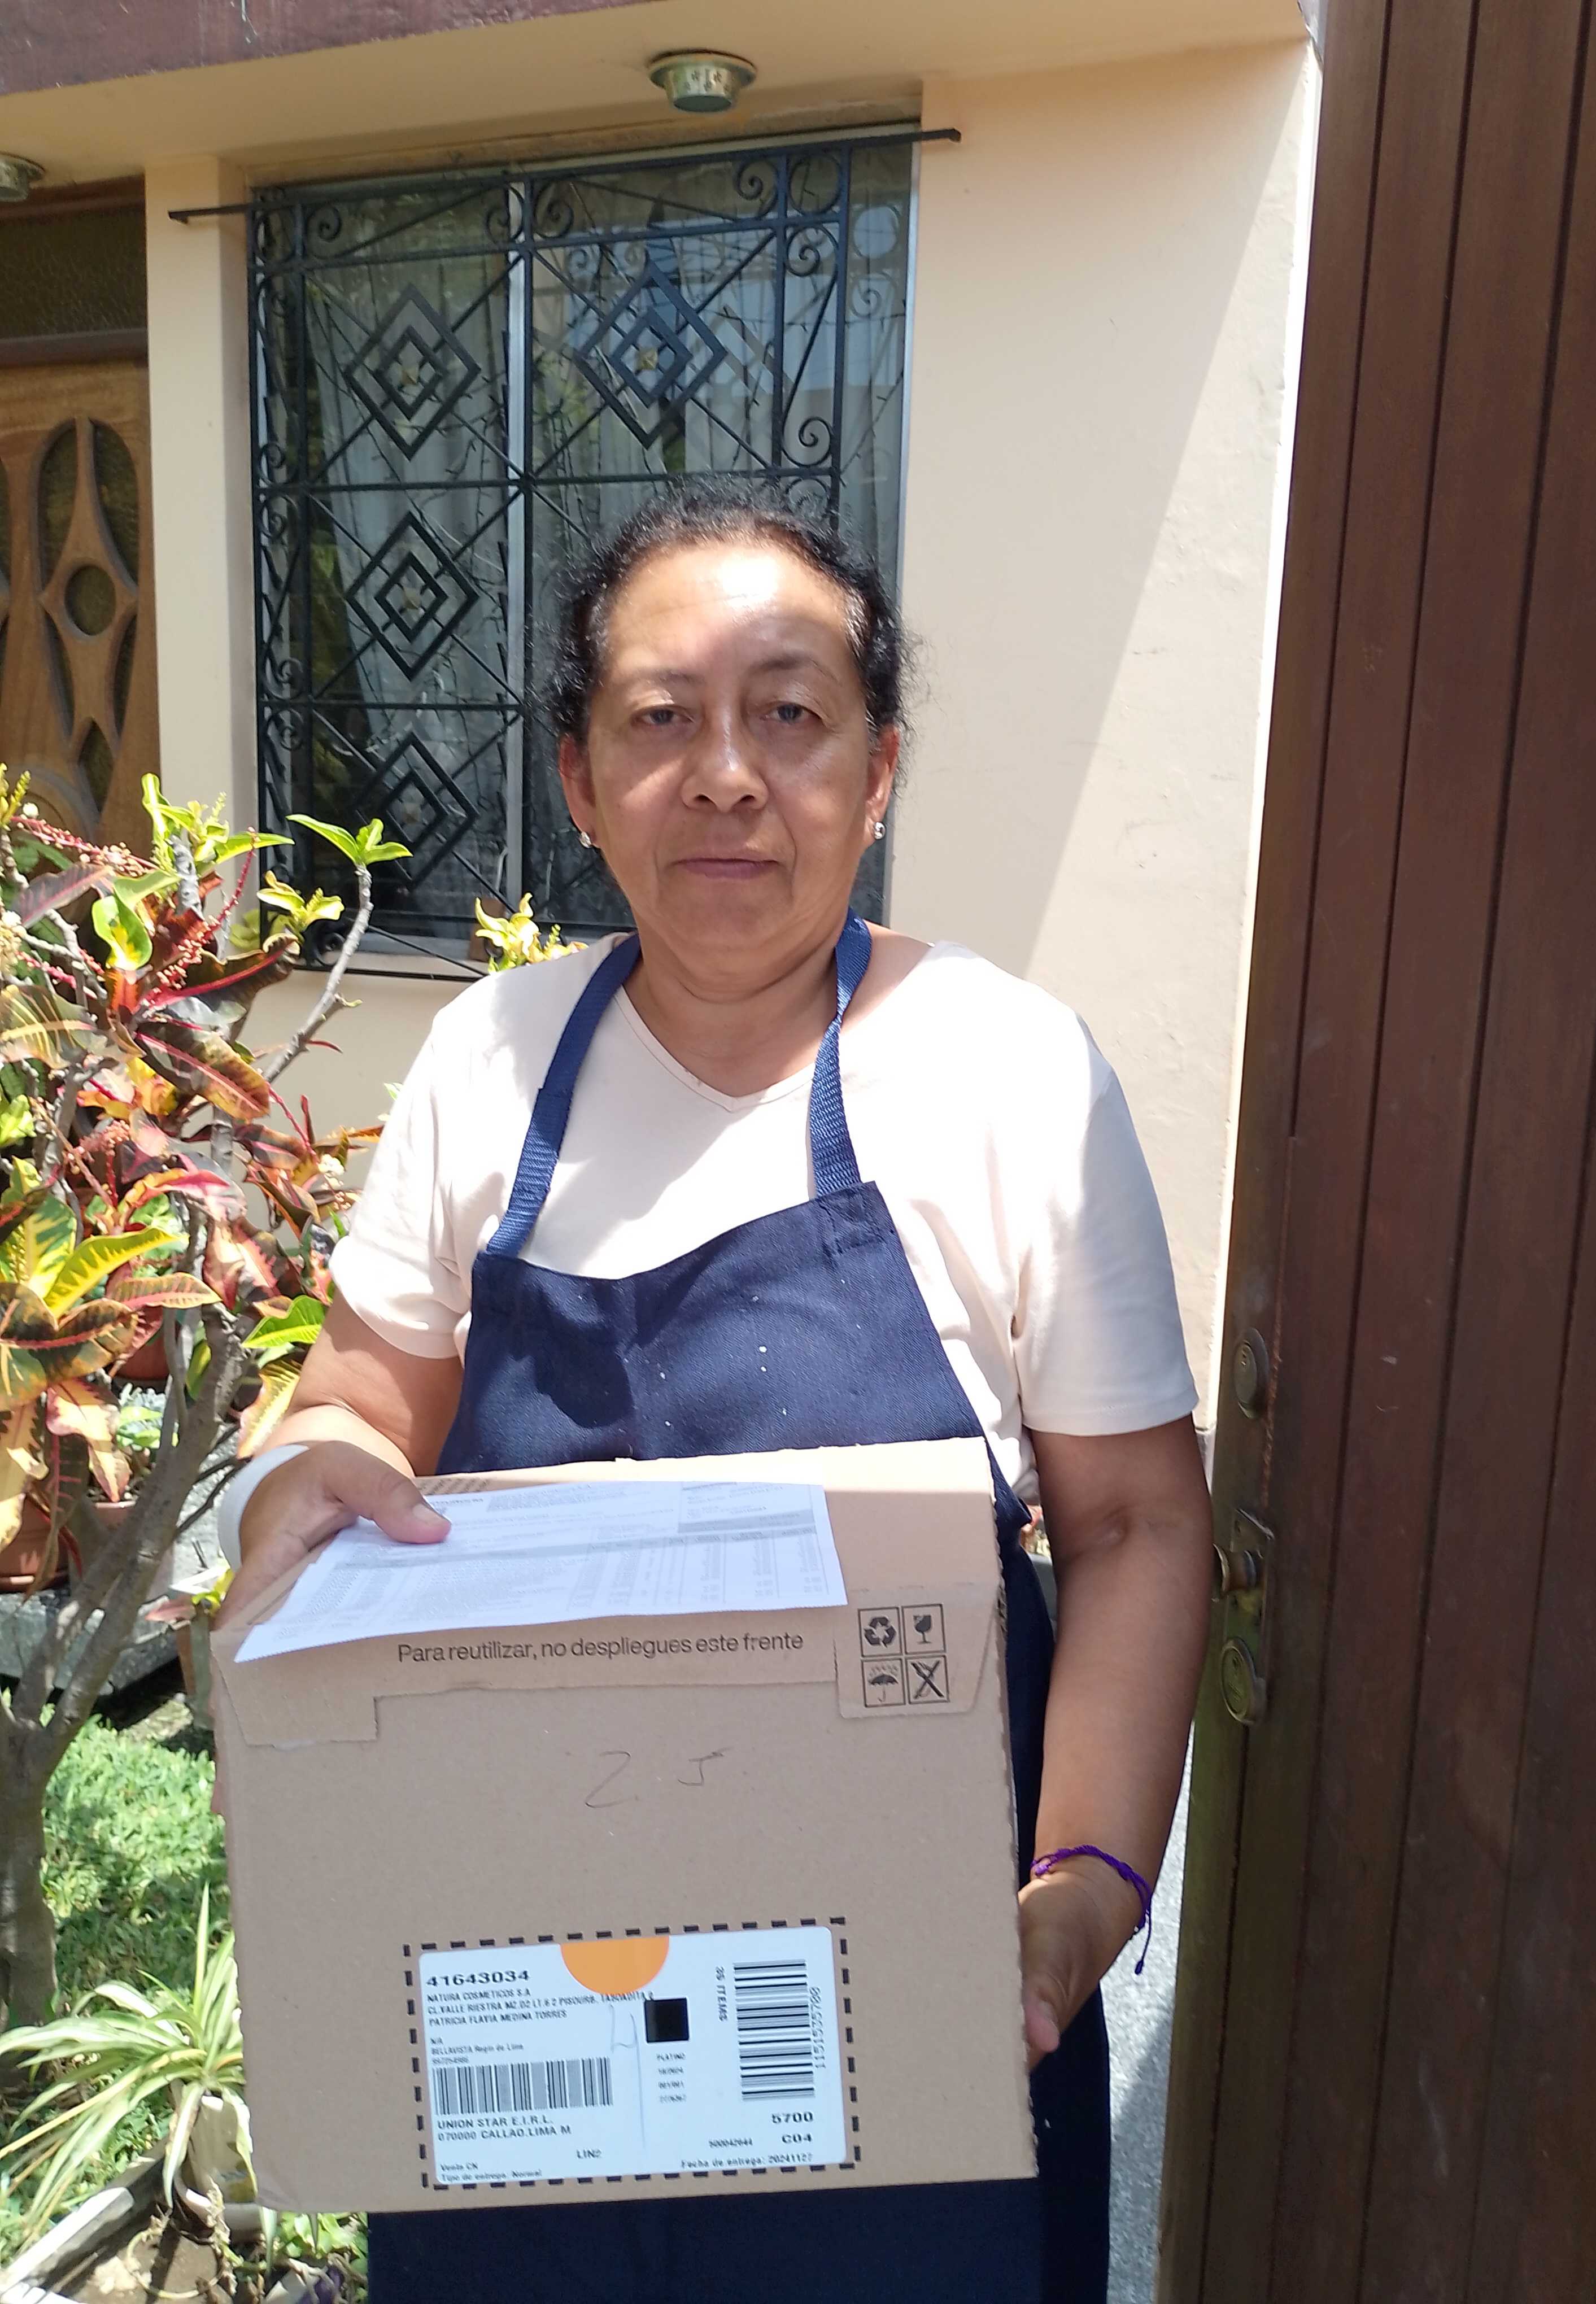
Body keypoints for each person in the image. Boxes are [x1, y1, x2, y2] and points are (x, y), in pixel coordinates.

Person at [220, 483, 1212, 2304]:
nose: (727, 775)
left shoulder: (1009, 1075)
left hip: (913, 1996)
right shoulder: (489, 1056)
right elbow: (364, 1394)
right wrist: (306, 1469)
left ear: (879, 772)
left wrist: (1080, 1885)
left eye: (791, 712)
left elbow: (1137, 1525)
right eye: (661, 718)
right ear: (583, 783)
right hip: (521, 1992)